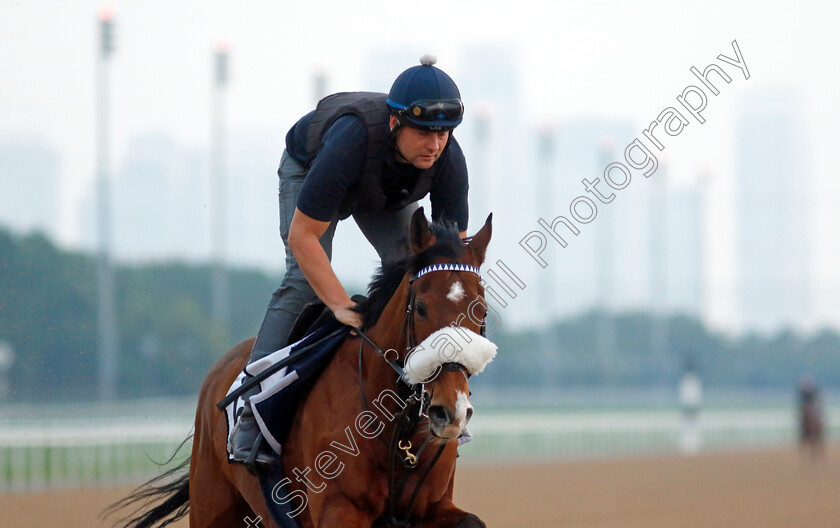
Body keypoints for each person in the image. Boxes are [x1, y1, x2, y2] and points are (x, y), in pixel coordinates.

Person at [228, 55, 469, 470]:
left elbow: (449, 271)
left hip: (381, 189)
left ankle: (427, 397)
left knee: (417, 276)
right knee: (304, 283)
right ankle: (250, 406)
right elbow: (302, 237)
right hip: (311, 170)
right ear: (395, 123)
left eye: (444, 134)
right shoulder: (351, 142)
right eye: (425, 133)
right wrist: (340, 305)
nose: (435, 145)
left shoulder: (448, 158)